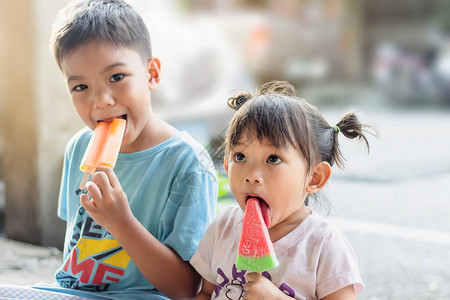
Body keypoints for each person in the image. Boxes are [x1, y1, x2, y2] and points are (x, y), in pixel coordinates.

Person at [27, 0, 216, 299]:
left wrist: (121, 222)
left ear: (151, 74)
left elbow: (187, 289)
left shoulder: (188, 164)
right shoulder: (79, 147)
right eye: (80, 87)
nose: (101, 100)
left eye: (116, 77)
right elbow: (73, 255)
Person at [190, 81, 370, 299]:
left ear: (314, 177)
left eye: (273, 159)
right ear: (227, 166)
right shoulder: (223, 227)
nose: (252, 174)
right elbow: (206, 292)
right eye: (240, 157)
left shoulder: (324, 245)